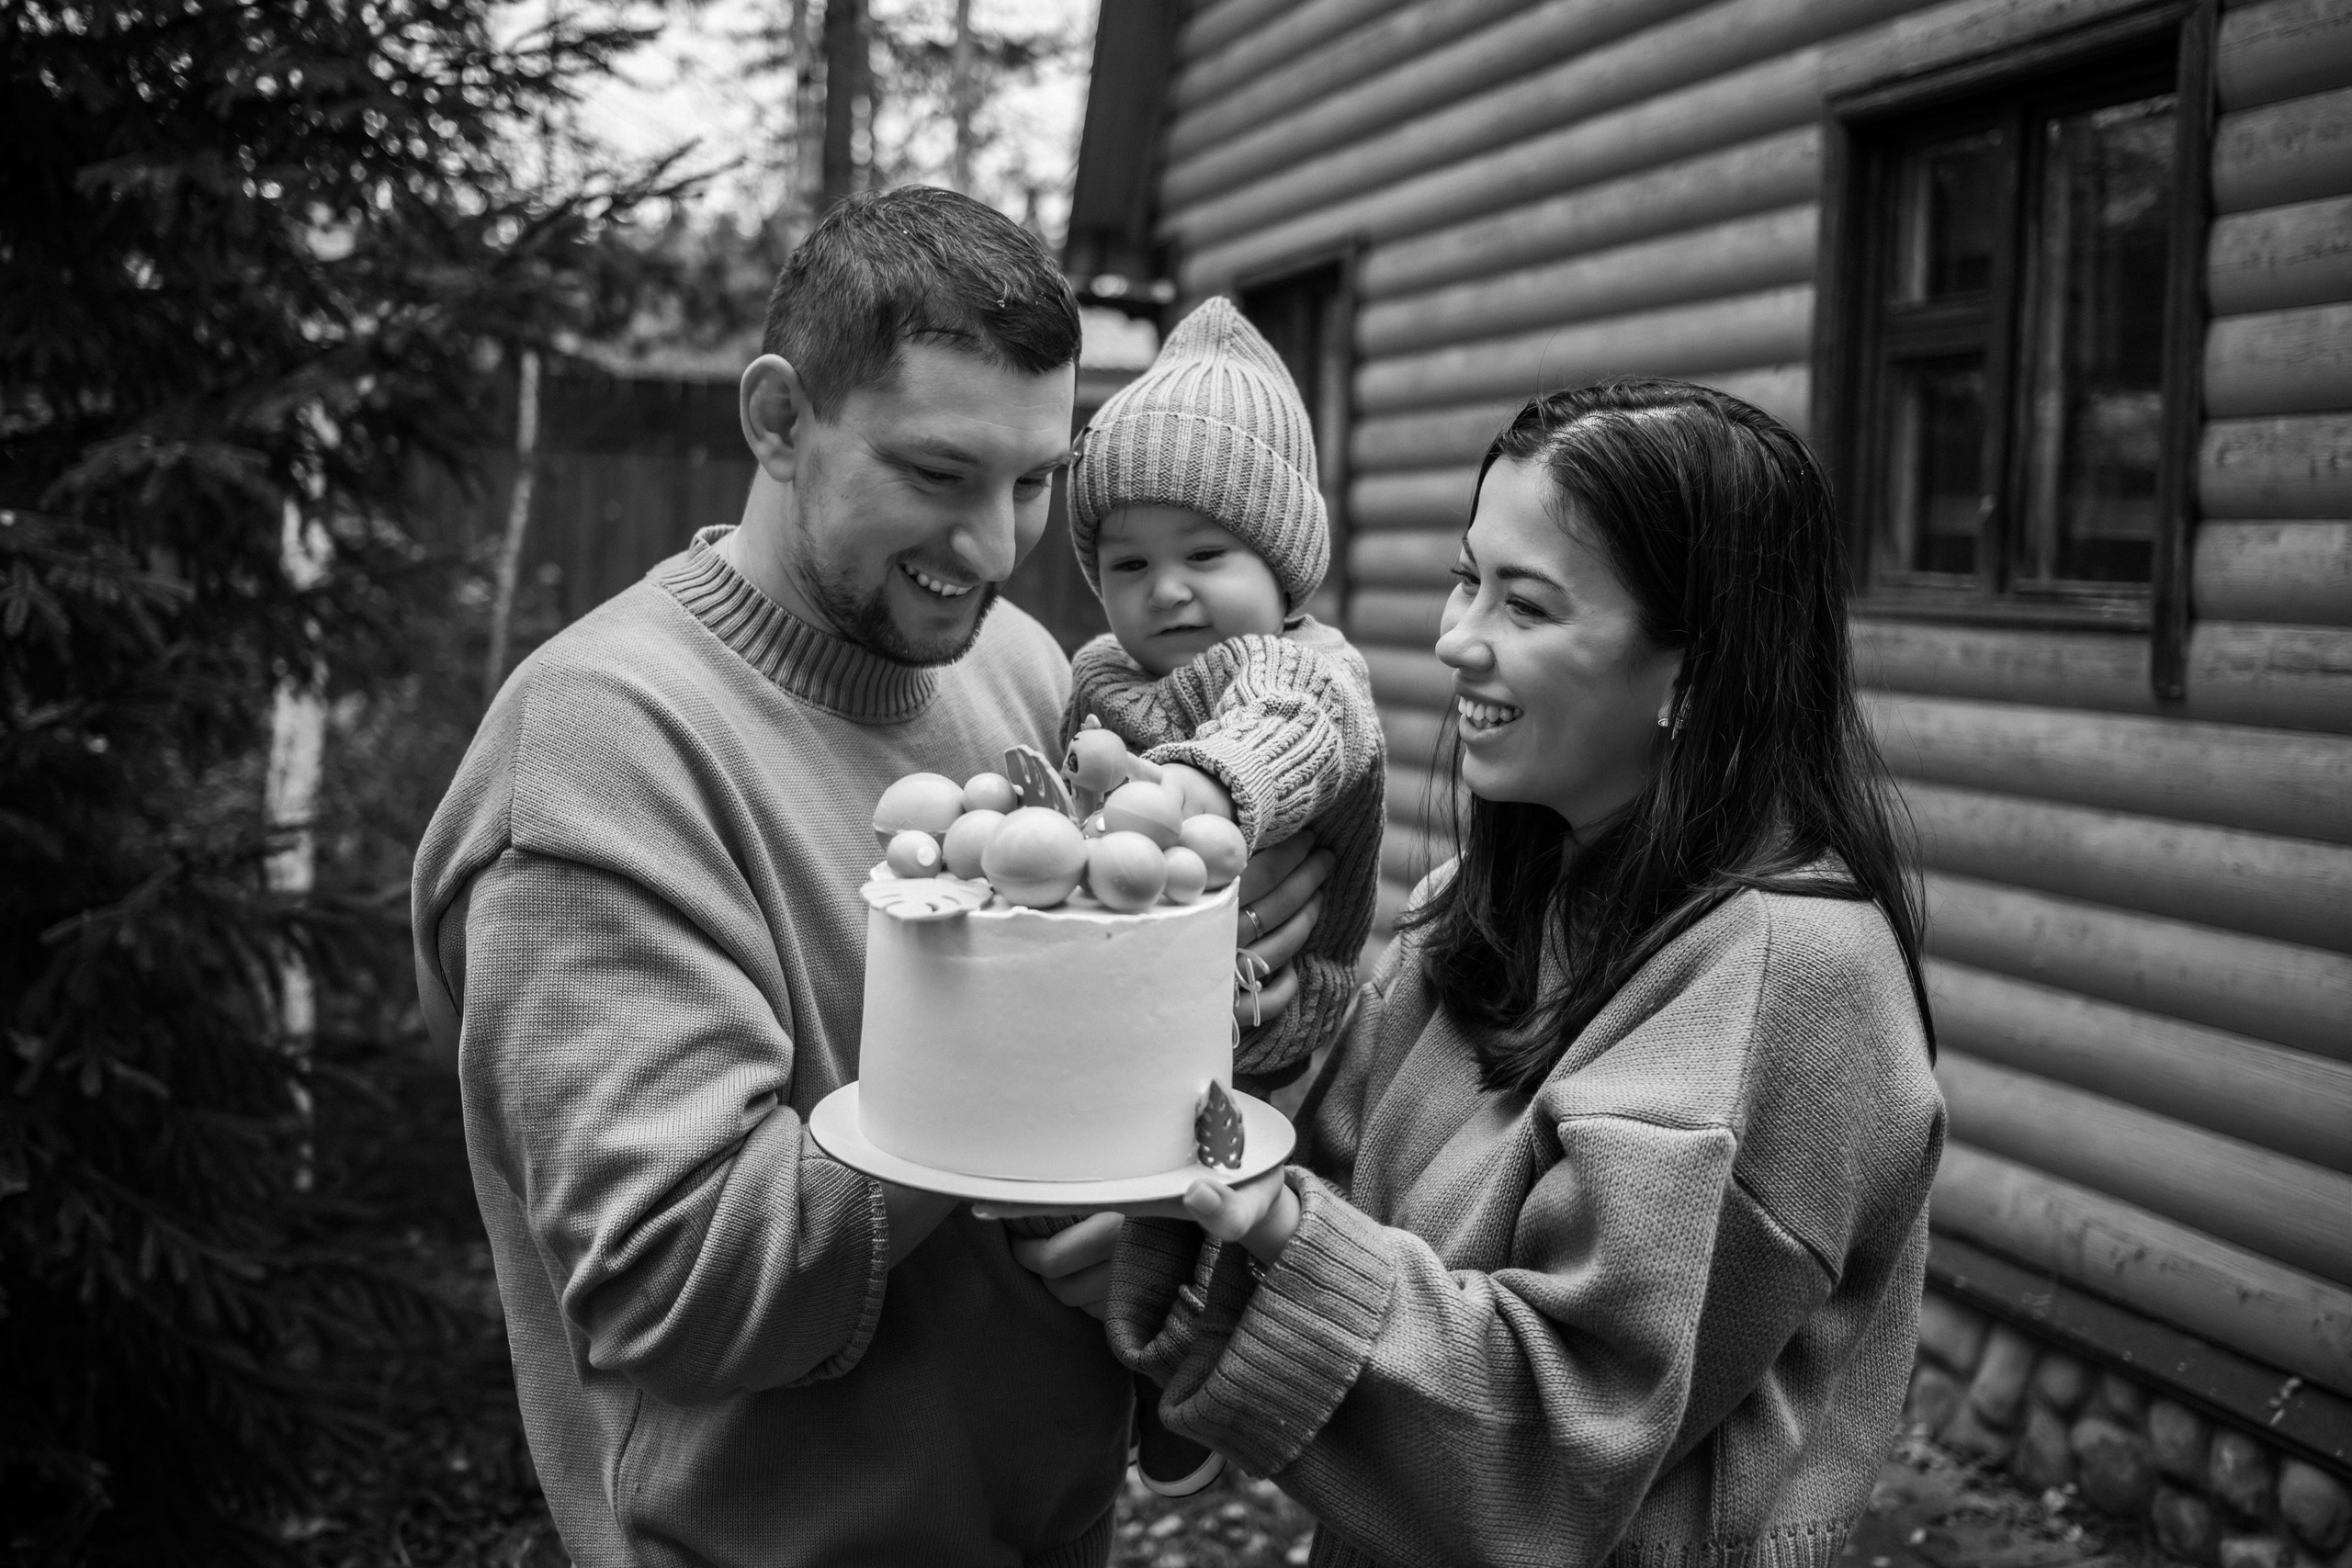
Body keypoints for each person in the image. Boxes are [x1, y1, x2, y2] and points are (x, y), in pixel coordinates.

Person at [409, 187, 1331, 1567]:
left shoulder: (1023, 668)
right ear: (779, 419)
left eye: (1035, 482)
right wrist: (1033, 1044)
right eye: (939, 473)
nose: (997, 547)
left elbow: (1100, 1147)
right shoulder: (600, 750)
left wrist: (1172, 1124)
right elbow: (676, 1288)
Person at [1012, 378, 1948, 1568]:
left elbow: (1555, 1448)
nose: (1457, 636)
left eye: (1526, 603)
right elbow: (1327, 1189)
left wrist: (1257, 1246)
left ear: (1694, 667)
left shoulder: (1790, 983)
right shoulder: (1481, 900)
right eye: (1468, 578)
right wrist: (1170, 1201)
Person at [1063, 295, 1383, 1087]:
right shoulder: (1099, 675)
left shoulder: (1309, 667)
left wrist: (1185, 790)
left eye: (1204, 555)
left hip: (1269, 1032)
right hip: (1105, 1007)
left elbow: (1286, 726)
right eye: (1130, 564)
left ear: (1285, 565)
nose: (1166, 589)